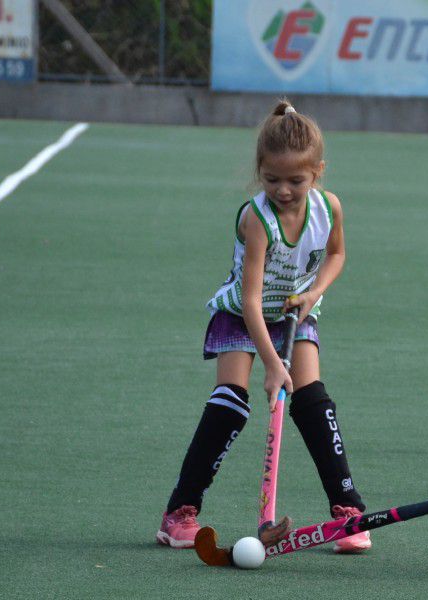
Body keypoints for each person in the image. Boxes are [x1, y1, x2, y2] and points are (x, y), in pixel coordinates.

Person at [157, 101, 372, 554]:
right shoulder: (257, 219)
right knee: (231, 404)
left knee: (312, 401)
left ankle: (348, 512)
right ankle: (180, 512)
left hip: (295, 311)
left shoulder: (329, 208)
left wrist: (314, 293)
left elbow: (336, 255)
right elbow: (251, 301)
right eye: (272, 180)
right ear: (260, 171)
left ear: (318, 172)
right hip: (243, 314)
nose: (284, 190)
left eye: (296, 180)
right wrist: (273, 365)